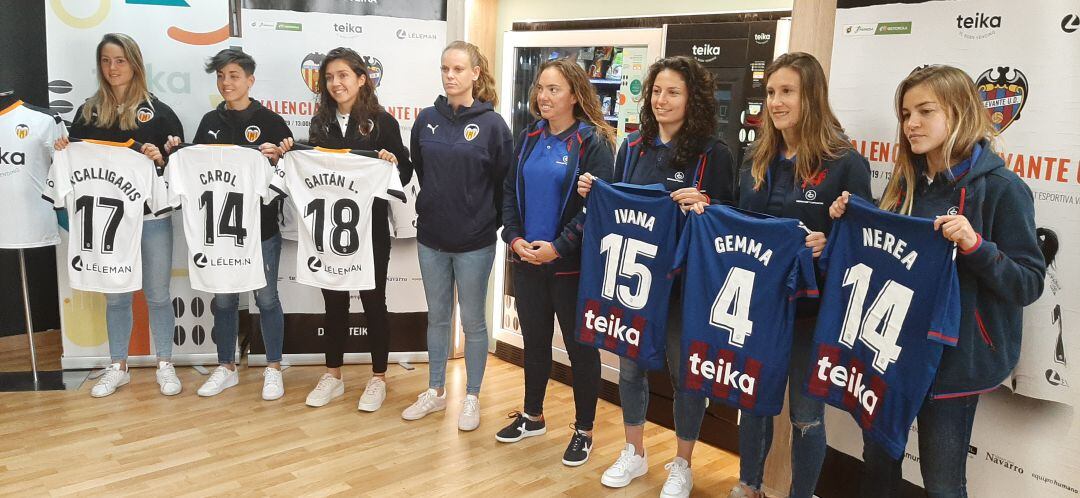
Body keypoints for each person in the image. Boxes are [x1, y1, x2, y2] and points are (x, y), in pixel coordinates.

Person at [829, 64, 1044, 498]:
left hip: (954, 364)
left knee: (943, 482)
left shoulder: (1003, 188)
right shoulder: (905, 182)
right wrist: (847, 221)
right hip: (891, 351)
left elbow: (1028, 283)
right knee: (878, 464)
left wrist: (975, 244)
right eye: (906, 114)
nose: (911, 124)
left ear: (960, 111)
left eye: (925, 111)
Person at [578, 56, 735, 497]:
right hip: (636, 283)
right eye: (657, 91)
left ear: (693, 99)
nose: (662, 100)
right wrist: (594, 191)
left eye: (673, 92)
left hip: (686, 286)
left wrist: (706, 203)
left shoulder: (712, 153)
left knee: (687, 376)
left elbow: (730, 219)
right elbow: (617, 206)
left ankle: (682, 463)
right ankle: (635, 451)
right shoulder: (632, 147)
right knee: (630, 370)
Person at [729, 52, 873, 498]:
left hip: (813, 312)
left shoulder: (845, 162)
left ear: (811, 96)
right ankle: (748, 484)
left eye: (787, 91)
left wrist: (830, 245)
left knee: (806, 416)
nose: (775, 102)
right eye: (771, 92)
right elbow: (738, 222)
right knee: (752, 400)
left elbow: (864, 243)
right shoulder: (757, 155)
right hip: (758, 305)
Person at [495, 58, 616, 465]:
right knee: (534, 344)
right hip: (527, 262)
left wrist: (560, 246)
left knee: (582, 351)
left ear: (575, 95)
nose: (543, 97)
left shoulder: (593, 142)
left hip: (569, 267)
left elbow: (598, 208)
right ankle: (533, 415)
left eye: (553, 89)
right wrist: (513, 238)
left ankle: (584, 431)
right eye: (541, 89)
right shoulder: (529, 136)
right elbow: (510, 193)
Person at [280, 47, 412, 411]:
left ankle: (378, 377)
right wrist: (294, 151)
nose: (336, 83)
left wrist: (392, 160)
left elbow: (404, 174)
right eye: (329, 77)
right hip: (328, 233)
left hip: (370, 230)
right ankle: (333, 375)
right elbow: (310, 171)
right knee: (333, 300)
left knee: (373, 302)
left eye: (343, 75)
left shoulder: (382, 122)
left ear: (360, 78)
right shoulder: (320, 122)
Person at [56, 33, 185, 398]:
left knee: (158, 294)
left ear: (134, 63)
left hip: (150, 219)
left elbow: (178, 171)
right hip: (106, 222)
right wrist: (65, 148)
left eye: (120, 60)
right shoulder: (87, 111)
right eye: (106, 61)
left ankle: (165, 363)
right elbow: (76, 157)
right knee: (117, 295)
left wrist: (160, 159)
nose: (112, 68)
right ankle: (118, 365)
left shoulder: (159, 112)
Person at [164, 48, 293, 401]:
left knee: (267, 299)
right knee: (223, 301)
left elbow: (287, 176)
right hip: (218, 236)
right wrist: (177, 151)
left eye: (234, 75)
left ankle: (273, 367)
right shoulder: (209, 121)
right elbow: (191, 169)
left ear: (250, 80)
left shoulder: (271, 122)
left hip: (262, 230)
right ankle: (226, 366)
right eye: (221, 76)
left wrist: (282, 155)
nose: (226, 82)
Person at [399, 41, 511, 431]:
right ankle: (434, 391)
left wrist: (483, 221)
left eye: (459, 69)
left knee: (474, 323)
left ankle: (472, 397)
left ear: (475, 74)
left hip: (475, 243)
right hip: (431, 238)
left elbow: (502, 182)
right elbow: (422, 172)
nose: (450, 76)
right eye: (445, 69)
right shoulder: (426, 118)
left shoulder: (494, 126)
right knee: (437, 318)